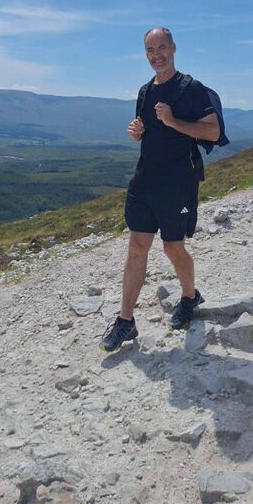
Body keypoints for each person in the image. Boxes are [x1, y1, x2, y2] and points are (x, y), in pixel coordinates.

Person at [100, 27, 220, 352]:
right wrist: (136, 132)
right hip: (145, 180)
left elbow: (212, 132)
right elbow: (146, 130)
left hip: (178, 182)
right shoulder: (144, 91)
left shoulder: (191, 88)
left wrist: (173, 121)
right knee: (137, 246)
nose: (157, 56)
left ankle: (190, 297)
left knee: (172, 247)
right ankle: (125, 321)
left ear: (173, 48)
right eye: (150, 51)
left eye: (161, 48)